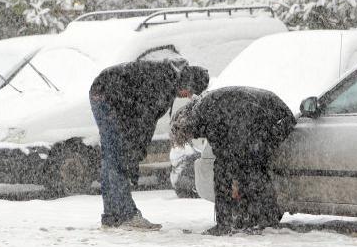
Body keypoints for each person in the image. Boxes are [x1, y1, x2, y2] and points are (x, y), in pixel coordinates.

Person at [89, 45, 209, 230]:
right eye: (190, 92)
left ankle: (112, 216)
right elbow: (143, 122)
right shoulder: (164, 85)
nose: (186, 96)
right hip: (107, 96)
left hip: (108, 93)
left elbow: (142, 119)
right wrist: (135, 152)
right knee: (116, 158)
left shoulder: (170, 79)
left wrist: (135, 151)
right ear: (188, 83)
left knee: (113, 157)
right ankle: (127, 216)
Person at [170, 86, 296, 235]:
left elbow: (224, 157)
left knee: (239, 170)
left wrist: (232, 183)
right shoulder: (206, 107)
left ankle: (232, 223)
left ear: (188, 127)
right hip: (273, 115)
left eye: (190, 136)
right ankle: (260, 218)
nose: (194, 138)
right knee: (249, 167)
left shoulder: (207, 115)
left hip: (270, 120)